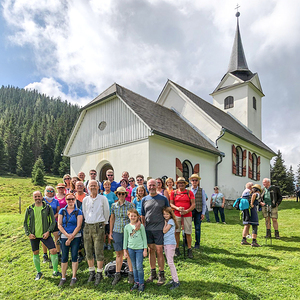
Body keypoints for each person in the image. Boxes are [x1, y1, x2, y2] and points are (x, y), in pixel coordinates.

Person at [24, 191, 61, 280]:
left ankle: (55, 271)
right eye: (35, 196)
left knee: (53, 251)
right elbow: (25, 223)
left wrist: (48, 231)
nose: (37, 198)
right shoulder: (29, 208)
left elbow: (53, 222)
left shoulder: (47, 208)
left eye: (39, 196)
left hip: (45, 234)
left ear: (42, 197)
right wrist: (28, 234)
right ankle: (39, 272)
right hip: (34, 235)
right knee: (35, 252)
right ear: (33, 197)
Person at [141, 179, 169, 285]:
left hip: (159, 229)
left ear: (157, 186)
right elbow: (143, 215)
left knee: (159, 251)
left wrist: (167, 225)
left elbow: (168, 213)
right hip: (148, 229)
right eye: (150, 185)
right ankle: (153, 273)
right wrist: (143, 226)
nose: (151, 187)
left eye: (153, 185)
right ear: (147, 187)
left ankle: (161, 274)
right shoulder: (144, 199)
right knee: (151, 250)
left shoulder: (163, 199)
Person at [81, 180, 110, 285]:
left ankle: (99, 273)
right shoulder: (85, 199)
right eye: (91, 186)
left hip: (99, 225)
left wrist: (104, 223)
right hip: (88, 226)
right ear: (88, 187)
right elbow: (84, 212)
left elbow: (107, 211)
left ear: (98, 187)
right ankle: (91, 272)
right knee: (88, 250)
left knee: (98, 251)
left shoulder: (103, 198)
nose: (93, 187)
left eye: (94, 185)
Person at [109, 186, 135, 285]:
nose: (121, 195)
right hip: (117, 231)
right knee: (118, 254)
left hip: (127, 232)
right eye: (119, 194)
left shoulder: (130, 205)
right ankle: (117, 273)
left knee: (128, 253)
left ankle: (131, 273)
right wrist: (111, 232)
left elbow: (134, 219)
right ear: (117, 195)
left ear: (125, 195)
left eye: (122, 194)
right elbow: (112, 219)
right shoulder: (113, 206)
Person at [57, 193, 83, 287]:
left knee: (74, 256)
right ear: (66, 200)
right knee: (64, 257)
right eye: (69, 199)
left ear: (75, 199)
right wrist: (67, 236)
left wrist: (71, 237)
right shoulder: (62, 211)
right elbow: (59, 225)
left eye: (72, 199)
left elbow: (79, 225)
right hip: (64, 236)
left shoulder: (78, 211)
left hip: (76, 236)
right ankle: (63, 277)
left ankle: (73, 277)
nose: (71, 201)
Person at [170, 177, 195, 259]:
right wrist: (177, 208)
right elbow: (171, 204)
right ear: (177, 184)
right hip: (177, 214)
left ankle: (189, 249)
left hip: (187, 215)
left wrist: (187, 211)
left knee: (188, 232)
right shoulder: (173, 193)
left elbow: (193, 204)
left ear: (185, 184)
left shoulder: (189, 192)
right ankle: (177, 248)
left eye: (182, 183)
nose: (181, 184)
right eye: (179, 183)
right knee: (176, 232)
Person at [123, 208, 148, 293]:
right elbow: (125, 239)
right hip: (131, 249)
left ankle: (141, 283)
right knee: (133, 267)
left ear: (138, 217)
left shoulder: (140, 226)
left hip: (139, 249)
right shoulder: (127, 227)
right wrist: (125, 250)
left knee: (139, 266)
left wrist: (145, 249)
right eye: (131, 216)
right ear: (129, 216)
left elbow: (144, 238)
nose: (133, 217)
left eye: (135, 216)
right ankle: (136, 282)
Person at [163, 207, 180, 290]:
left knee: (170, 262)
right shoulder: (167, 221)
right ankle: (173, 279)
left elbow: (164, 231)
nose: (165, 215)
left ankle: (176, 281)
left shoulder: (170, 221)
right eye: (164, 214)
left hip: (170, 243)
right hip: (166, 243)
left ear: (170, 214)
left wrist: (164, 224)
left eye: (167, 214)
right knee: (169, 262)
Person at [42, 186, 60, 264]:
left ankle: (57, 253)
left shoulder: (56, 201)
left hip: (54, 222)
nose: (50, 192)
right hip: (44, 222)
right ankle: (45, 255)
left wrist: (53, 218)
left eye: (52, 191)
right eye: (48, 191)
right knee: (44, 238)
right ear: (45, 191)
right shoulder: (42, 200)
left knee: (56, 236)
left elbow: (58, 211)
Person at [187, 174, 206, 249]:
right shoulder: (187, 190)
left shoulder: (201, 190)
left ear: (198, 182)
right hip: (189, 211)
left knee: (197, 227)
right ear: (191, 181)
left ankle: (197, 243)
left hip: (198, 211)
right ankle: (186, 242)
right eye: (193, 180)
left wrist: (203, 213)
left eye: (196, 180)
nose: (194, 182)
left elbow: (204, 203)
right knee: (187, 227)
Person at [102, 180, 118, 250]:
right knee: (103, 230)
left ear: (110, 186)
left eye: (108, 185)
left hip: (111, 214)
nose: (107, 186)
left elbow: (116, 204)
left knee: (109, 229)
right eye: (105, 185)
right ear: (103, 186)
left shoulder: (113, 194)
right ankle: (103, 243)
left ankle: (109, 244)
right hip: (103, 214)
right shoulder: (101, 195)